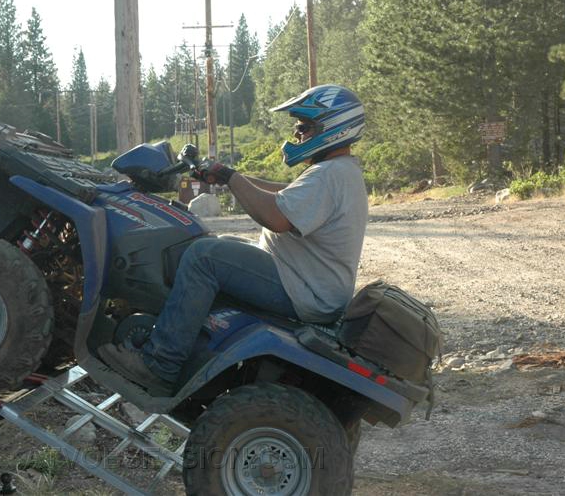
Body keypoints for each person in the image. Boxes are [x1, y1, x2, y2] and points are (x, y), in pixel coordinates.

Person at [98, 84, 369, 396]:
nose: (297, 134)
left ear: (333, 128)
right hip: (307, 283)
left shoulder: (330, 174)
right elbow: (283, 193)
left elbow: (277, 217)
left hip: (305, 291)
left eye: (305, 127)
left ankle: (161, 363)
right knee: (219, 241)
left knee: (204, 256)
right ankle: (195, 341)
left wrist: (230, 177)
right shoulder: (337, 171)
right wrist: (226, 176)